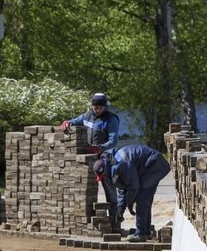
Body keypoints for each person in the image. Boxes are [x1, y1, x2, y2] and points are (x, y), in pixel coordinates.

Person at [60, 93, 121, 229]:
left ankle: (115, 223)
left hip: (106, 157)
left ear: (105, 107)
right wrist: (68, 122)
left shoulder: (111, 119)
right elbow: (76, 121)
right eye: (95, 107)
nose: (96, 110)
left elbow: (113, 140)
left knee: (110, 191)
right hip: (90, 156)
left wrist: (100, 148)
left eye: (99, 107)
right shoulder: (87, 116)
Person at [92, 145, 170, 242]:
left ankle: (141, 234)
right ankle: (145, 232)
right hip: (148, 167)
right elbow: (122, 187)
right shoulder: (112, 163)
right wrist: (121, 207)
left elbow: (133, 186)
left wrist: (129, 203)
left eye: (102, 176)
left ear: (104, 171)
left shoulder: (121, 164)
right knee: (144, 200)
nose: (104, 179)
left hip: (154, 165)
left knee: (142, 199)